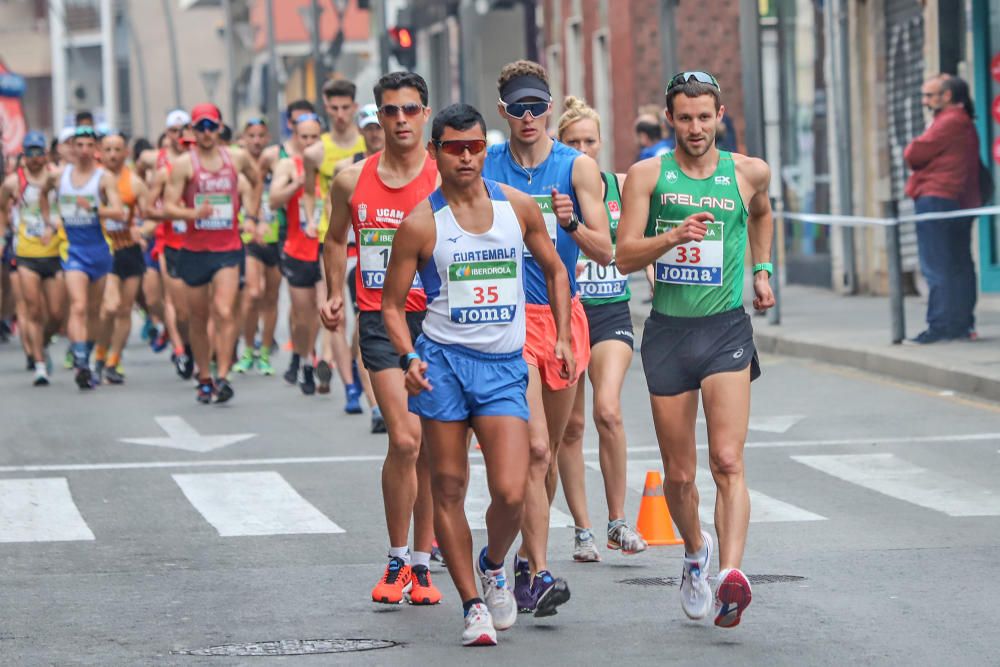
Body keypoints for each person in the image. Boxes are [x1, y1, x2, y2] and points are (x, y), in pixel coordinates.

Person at [383, 103, 575, 646]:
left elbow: (556, 269)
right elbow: (393, 307)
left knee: (513, 491)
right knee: (448, 485)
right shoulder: (422, 222)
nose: (465, 156)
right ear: (435, 151)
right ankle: (473, 606)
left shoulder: (516, 208)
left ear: (484, 150)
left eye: (474, 147)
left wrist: (561, 334)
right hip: (443, 362)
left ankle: (494, 565)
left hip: (502, 365)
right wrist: (407, 358)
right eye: (454, 147)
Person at [616, 70, 775, 628]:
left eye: (704, 117)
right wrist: (672, 237)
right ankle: (694, 552)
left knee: (727, 459)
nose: (695, 127)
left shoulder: (748, 172)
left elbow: (760, 213)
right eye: (684, 117)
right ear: (671, 119)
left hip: (726, 329)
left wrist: (762, 269)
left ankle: (732, 575)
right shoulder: (647, 176)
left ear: (720, 115)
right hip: (668, 332)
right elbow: (624, 257)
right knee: (679, 476)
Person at [482, 60, 611, 616]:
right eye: (518, 107)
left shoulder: (577, 168)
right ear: (503, 109)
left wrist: (572, 225)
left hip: (561, 319)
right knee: (534, 449)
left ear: (550, 107)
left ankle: (522, 558)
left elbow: (608, 251)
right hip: (505, 321)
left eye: (538, 106)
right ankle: (537, 571)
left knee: (549, 456)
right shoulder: (482, 164)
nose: (529, 116)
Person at [319, 71, 440, 606]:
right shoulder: (351, 180)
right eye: (390, 111)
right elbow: (333, 239)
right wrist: (333, 293)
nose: (400, 120)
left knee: (433, 448)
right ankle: (397, 558)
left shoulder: (445, 177)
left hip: (435, 321)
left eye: (410, 110)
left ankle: (423, 560)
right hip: (378, 320)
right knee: (406, 439)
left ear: (425, 114)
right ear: (377, 117)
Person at [554, 97, 648, 562]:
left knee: (607, 410)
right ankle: (583, 529)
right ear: (560, 144)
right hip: (567, 314)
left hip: (611, 312)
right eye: (574, 142)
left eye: (590, 141)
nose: (583, 150)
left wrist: (654, 276)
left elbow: (643, 237)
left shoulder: (623, 186)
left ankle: (617, 521)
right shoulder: (552, 191)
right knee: (570, 427)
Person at [163, 103, 261, 404]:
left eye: (211, 126)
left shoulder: (236, 158)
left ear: (219, 128)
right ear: (193, 131)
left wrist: (251, 215)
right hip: (194, 250)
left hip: (228, 248)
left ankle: (223, 375)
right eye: (200, 127)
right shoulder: (184, 165)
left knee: (224, 311)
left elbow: (256, 180)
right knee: (198, 317)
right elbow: (167, 206)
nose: (206, 133)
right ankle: (204, 376)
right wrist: (194, 212)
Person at [39, 126, 125, 389]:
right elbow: (42, 194)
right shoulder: (58, 176)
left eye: (90, 145)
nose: (85, 150)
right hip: (72, 249)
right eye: (80, 145)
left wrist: (96, 209)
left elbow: (119, 212)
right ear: (72, 148)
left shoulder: (104, 178)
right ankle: (80, 360)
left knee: (95, 312)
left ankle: (86, 355)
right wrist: (49, 221)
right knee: (77, 305)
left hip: (99, 250)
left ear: (95, 149)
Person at [904, 74, 981, 344]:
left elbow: (914, 153)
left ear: (946, 96)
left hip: (937, 198)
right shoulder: (962, 121)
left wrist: (919, 141)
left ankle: (940, 326)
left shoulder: (948, 121)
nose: (924, 101)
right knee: (958, 264)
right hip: (959, 200)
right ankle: (961, 323)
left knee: (936, 266)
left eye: (929, 95)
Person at [306, 79, 367, 411]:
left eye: (346, 107)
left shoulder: (369, 139)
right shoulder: (316, 152)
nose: (341, 114)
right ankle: (349, 387)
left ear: (354, 108)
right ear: (326, 109)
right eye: (334, 108)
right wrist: (310, 218)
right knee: (335, 312)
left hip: (367, 239)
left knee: (364, 318)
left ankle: (358, 369)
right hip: (331, 239)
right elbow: (307, 192)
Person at [327, 102, 385, 426]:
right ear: (361, 131)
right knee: (366, 323)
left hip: (404, 263)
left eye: (379, 126)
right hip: (359, 258)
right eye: (370, 128)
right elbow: (335, 223)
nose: (375, 133)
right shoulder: (348, 171)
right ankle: (375, 404)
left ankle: (354, 365)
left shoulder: (407, 169)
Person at [0, 131, 65, 385]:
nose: (35, 158)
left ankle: (44, 343)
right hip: (25, 252)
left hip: (54, 252)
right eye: (31, 153)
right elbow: (3, 212)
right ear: (24, 155)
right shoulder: (13, 183)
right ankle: (39, 364)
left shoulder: (57, 178)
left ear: (46, 154)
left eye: (40, 152)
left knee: (57, 313)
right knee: (33, 309)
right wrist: (4, 238)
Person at [270, 114, 324, 395]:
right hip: (297, 248)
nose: (309, 142)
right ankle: (304, 356)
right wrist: (297, 184)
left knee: (321, 308)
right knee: (303, 316)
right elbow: (272, 200)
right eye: (304, 137)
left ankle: (313, 362)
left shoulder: (329, 165)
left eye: (314, 137)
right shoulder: (288, 165)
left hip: (325, 248)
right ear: (295, 136)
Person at [93, 132, 153, 384]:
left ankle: (113, 361)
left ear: (126, 153)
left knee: (125, 309)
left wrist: (143, 230)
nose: (113, 155)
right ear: (100, 152)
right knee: (108, 307)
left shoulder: (136, 183)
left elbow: (151, 216)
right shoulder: (92, 180)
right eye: (108, 150)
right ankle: (99, 354)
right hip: (104, 249)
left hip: (129, 249)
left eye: (117, 150)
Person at [139, 110, 195, 379]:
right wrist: (171, 213)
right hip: (166, 236)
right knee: (161, 299)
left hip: (198, 237)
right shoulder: (157, 163)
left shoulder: (199, 162)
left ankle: (193, 345)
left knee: (194, 300)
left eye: (184, 129)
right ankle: (179, 347)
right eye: (173, 130)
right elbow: (147, 204)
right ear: (166, 133)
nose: (179, 135)